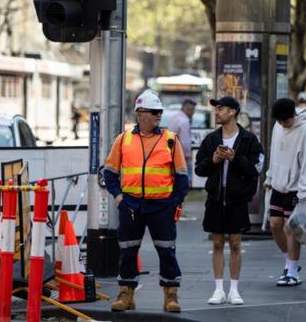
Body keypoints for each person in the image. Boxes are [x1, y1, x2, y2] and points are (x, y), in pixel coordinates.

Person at [103, 89, 189, 313]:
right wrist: (119, 197)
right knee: (128, 251)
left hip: (162, 206)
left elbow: (181, 175)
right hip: (131, 205)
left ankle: (171, 296)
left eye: (159, 112)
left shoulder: (170, 139)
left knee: (166, 251)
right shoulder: (123, 140)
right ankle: (126, 294)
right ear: (140, 114)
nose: (158, 116)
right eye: (154, 112)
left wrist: (176, 201)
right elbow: (109, 171)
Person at [195, 96, 263, 305]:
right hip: (215, 198)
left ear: (233, 112)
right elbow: (199, 168)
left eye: (221, 109)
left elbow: (257, 169)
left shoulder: (248, 139)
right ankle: (218, 289)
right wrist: (214, 160)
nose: (216, 112)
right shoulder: (211, 138)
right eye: (216, 109)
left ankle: (234, 289)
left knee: (235, 243)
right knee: (217, 242)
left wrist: (236, 159)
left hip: (237, 199)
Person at [264, 98, 306, 287]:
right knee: (275, 225)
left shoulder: (305, 131)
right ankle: (289, 262)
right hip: (278, 184)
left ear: (293, 116)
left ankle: (293, 271)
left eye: (285, 120)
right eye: (278, 120)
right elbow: (274, 152)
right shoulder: (278, 127)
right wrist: (270, 177)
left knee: (291, 228)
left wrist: (304, 191)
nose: (281, 124)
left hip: (296, 187)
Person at [167, 99, 196, 180]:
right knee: (184, 179)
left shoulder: (174, 117)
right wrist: (188, 156)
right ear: (188, 109)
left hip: (170, 152)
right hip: (180, 155)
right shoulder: (184, 121)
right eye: (193, 110)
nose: (193, 113)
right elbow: (185, 143)